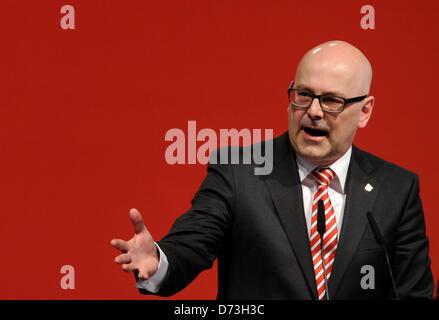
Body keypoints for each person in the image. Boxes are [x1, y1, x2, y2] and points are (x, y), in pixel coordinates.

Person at [110, 40, 434, 299]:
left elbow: (412, 291)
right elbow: (191, 246)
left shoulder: (396, 188)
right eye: (304, 95)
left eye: (332, 100)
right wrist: (159, 259)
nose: (314, 112)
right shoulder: (239, 173)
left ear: (364, 111)